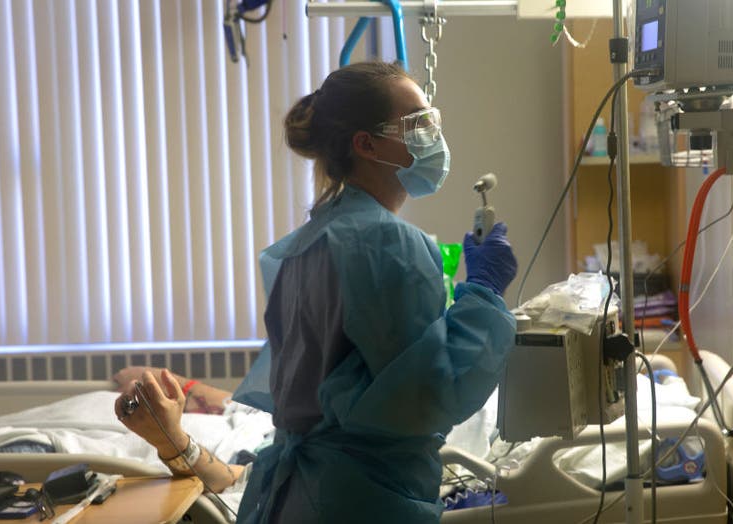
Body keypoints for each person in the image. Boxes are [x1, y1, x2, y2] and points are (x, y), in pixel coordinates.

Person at [117, 60, 518, 522]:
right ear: (366, 144)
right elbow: (426, 392)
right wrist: (484, 294)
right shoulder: (388, 242)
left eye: (433, 120)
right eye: (418, 123)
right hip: (361, 497)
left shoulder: (309, 242)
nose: (432, 133)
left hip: (303, 494)